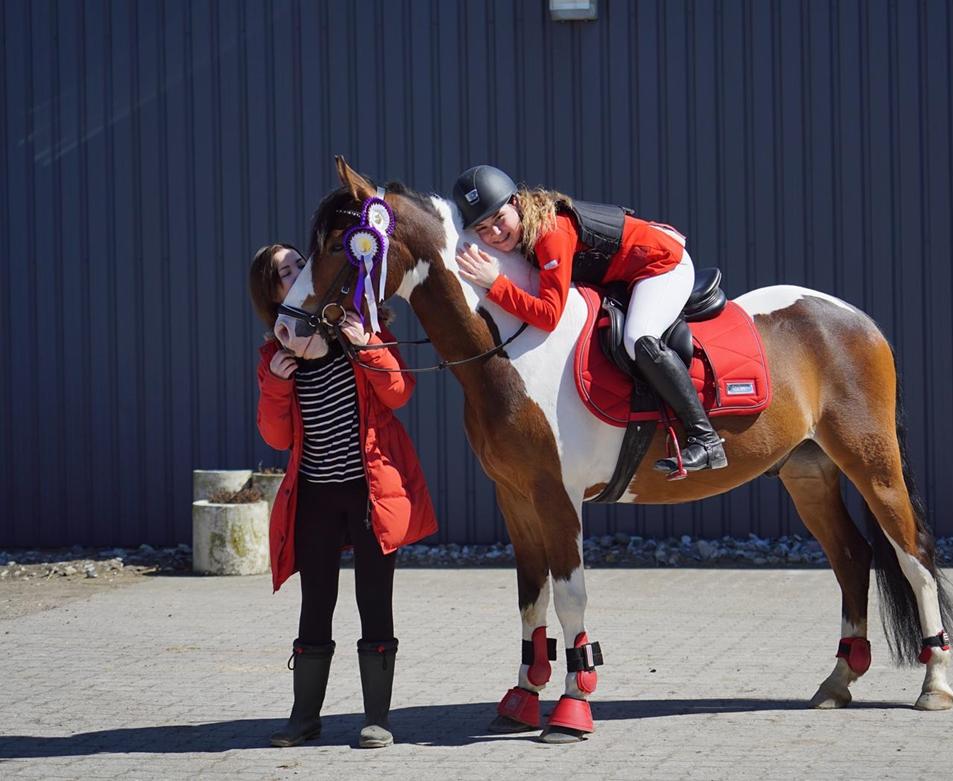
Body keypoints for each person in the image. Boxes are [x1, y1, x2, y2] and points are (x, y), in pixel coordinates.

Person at [248, 243, 438, 748]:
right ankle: (303, 719)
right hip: (315, 497)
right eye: (283, 273)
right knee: (316, 604)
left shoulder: (358, 328)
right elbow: (276, 437)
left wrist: (368, 345)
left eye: (298, 266)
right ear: (273, 294)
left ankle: (377, 719)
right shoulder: (277, 355)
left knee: (374, 600)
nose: (295, 274)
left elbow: (399, 393)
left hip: (370, 493)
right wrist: (275, 386)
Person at [451, 165, 727, 475]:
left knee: (639, 339)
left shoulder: (549, 233)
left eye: (499, 219)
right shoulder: (524, 229)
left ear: (515, 203)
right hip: (626, 272)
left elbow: (549, 315)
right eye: (484, 228)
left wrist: (496, 284)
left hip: (661, 265)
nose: (495, 234)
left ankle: (706, 439)